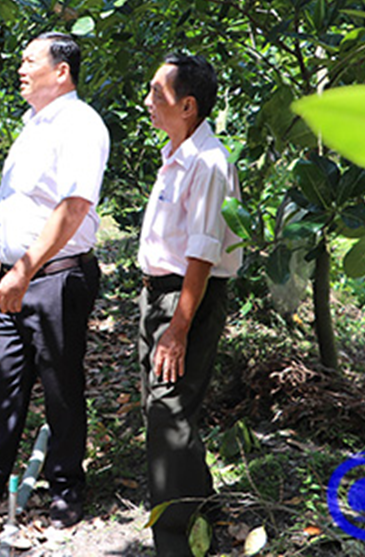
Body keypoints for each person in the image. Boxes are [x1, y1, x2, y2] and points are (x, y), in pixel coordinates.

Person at [0, 32, 109, 528]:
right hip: (14, 278)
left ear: (61, 71)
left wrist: (24, 268)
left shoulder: (80, 124)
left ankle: (65, 488)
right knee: (3, 384)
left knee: (61, 386)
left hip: (54, 279)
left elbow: (75, 207)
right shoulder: (32, 124)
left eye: (29, 61)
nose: (20, 68)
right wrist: (4, 266)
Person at [138, 53, 242, 555]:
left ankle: (175, 539)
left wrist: (179, 327)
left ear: (188, 106)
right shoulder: (176, 153)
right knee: (163, 407)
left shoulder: (208, 162)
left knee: (169, 411)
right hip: (161, 294)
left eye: (158, 94)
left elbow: (202, 253)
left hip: (188, 297)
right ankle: (204, 502)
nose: (149, 102)